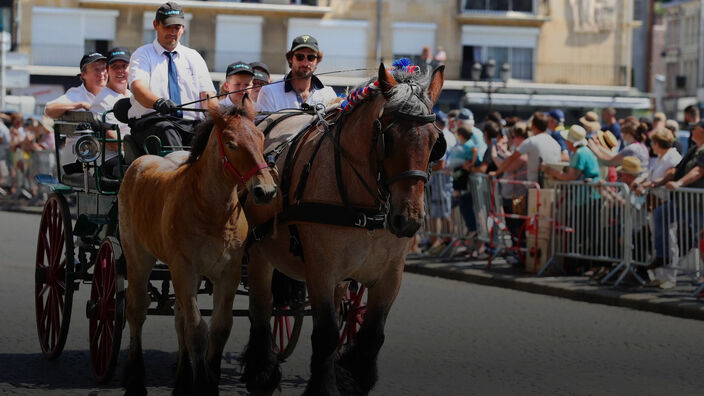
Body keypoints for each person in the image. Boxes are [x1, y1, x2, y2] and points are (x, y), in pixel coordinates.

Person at [128, 1, 218, 152]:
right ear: (156, 25)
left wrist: (220, 118)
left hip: (191, 125)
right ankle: (181, 174)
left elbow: (208, 96)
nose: (172, 32)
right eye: (167, 26)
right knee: (167, 130)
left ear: (183, 28)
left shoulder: (194, 56)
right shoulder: (143, 54)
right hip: (153, 123)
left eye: (177, 27)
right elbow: (138, 89)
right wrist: (158, 103)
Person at [255, 35, 336, 113]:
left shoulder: (328, 94)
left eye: (311, 57)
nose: (305, 63)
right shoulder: (270, 92)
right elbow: (262, 126)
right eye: (300, 57)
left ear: (317, 60)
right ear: (290, 59)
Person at [90, 47, 132, 176]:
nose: (120, 71)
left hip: (132, 154)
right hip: (108, 160)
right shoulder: (102, 101)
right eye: (115, 66)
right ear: (107, 71)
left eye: (124, 66)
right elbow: (112, 143)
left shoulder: (133, 96)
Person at [491, 112, 561, 185]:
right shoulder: (556, 144)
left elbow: (512, 158)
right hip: (552, 187)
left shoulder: (531, 141)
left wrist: (496, 172)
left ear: (533, 125)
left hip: (535, 188)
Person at [45, 52, 107, 120]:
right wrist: (81, 105)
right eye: (96, 69)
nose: (101, 74)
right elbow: (49, 110)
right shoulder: (76, 94)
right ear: (83, 75)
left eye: (104, 68)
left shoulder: (115, 91)